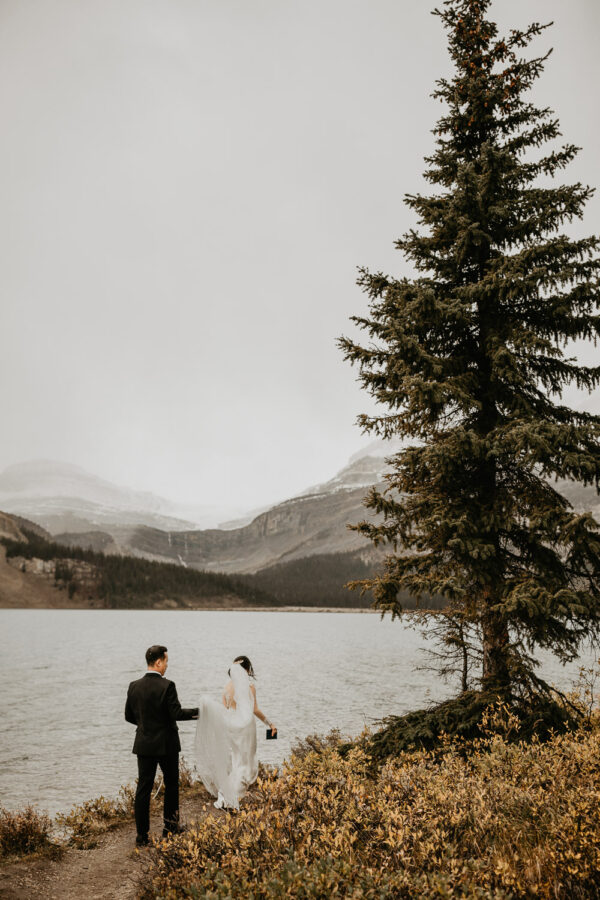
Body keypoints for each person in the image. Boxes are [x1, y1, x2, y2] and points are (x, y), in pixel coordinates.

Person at [125, 645, 199, 846]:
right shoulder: (168, 686)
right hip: (167, 744)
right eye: (166, 661)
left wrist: (146, 726)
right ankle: (170, 828)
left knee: (143, 788)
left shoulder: (133, 686)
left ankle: (142, 837)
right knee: (172, 785)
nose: (167, 665)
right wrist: (200, 712)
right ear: (158, 662)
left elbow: (128, 716)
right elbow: (176, 714)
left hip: (144, 744)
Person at [194, 655, 277, 810]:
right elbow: (255, 710)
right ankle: (234, 797)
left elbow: (225, 711)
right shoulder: (249, 687)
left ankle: (226, 793)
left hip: (231, 727)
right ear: (246, 670)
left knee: (237, 761)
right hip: (246, 727)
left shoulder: (226, 688)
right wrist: (269, 723)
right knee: (246, 762)